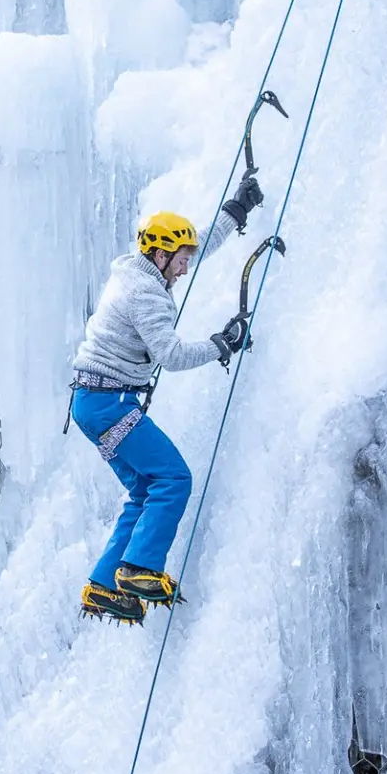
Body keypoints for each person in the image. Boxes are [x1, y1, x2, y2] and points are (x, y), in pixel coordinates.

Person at [69, 171, 265, 624]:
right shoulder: (147, 295)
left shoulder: (135, 268)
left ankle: (103, 586)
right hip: (109, 403)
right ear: (159, 255)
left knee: (144, 488)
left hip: (92, 403)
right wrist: (222, 345)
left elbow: (190, 249)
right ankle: (138, 571)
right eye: (179, 259)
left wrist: (234, 213)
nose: (184, 266)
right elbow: (171, 356)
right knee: (174, 479)